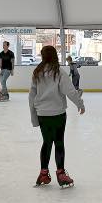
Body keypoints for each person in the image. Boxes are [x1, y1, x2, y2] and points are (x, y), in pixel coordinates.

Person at [29, 45, 85, 188]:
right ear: (55, 56)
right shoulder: (59, 72)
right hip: (58, 113)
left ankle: (43, 173)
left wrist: (34, 117)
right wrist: (80, 104)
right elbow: (70, 91)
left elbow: (31, 96)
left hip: (42, 114)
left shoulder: (37, 72)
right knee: (59, 142)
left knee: (46, 142)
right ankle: (60, 173)